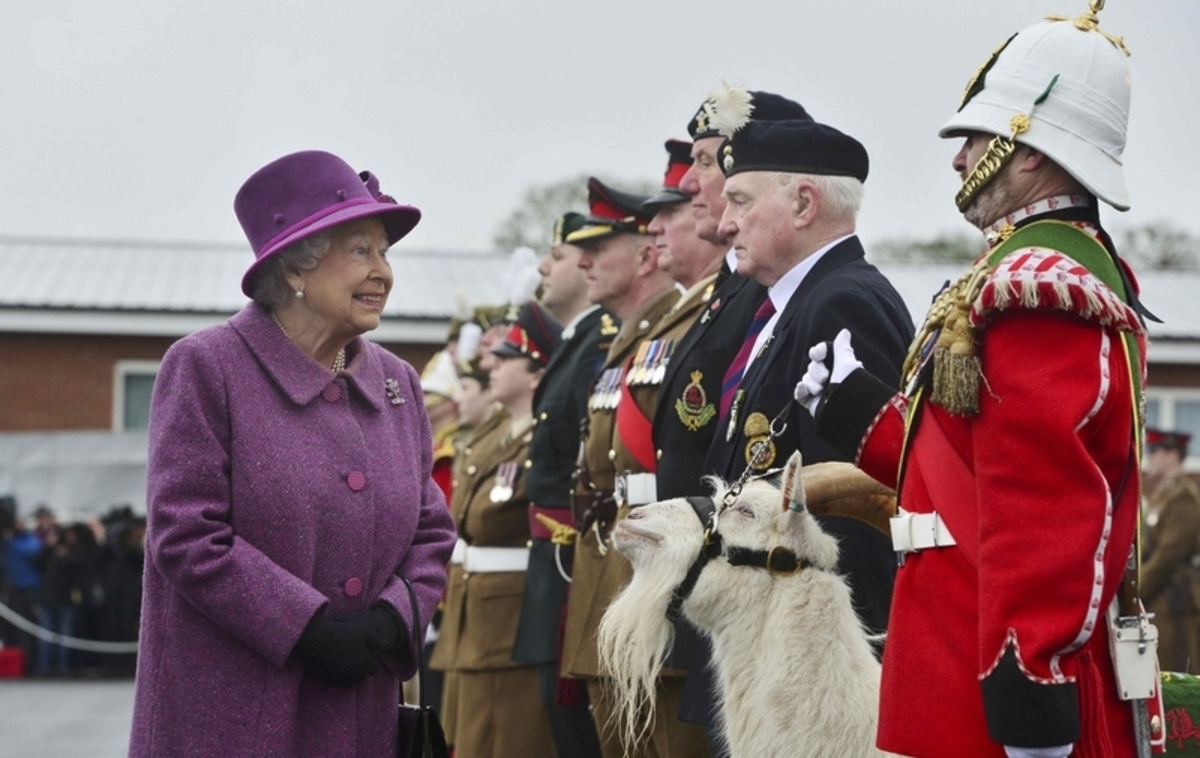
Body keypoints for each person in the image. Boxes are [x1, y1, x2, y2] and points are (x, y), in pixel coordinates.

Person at [792, 8, 1151, 756]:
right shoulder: (1014, 272)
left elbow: (1044, 512)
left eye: (978, 139)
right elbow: (967, 479)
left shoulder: (1036, 287)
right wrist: (863, 416)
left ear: (1032, 151)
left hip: (987, 691)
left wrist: (1029, 693)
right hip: (947, 663)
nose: (959, 161)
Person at [129, 150, 457, 758]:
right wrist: (305, 627)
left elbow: (431, 530)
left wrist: (391, 620)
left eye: (384, 252)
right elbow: (184, 533)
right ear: (296, 268)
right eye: (360, 251)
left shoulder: (399, 384)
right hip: (232, 715)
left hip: (362, 714)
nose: (383, 271)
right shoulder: (207, 367)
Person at [703, 113, 912, 650]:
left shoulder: (842, 302)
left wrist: (848, 650)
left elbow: (860, 502)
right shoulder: (794, 303)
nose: (726, 224)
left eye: (741, 201)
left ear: (802, 204)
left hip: (806, 643)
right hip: (764, 623)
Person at [560, 177, 710, 758]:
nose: (584, 262)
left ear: (645, 256)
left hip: (656, 556)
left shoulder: (682, 325)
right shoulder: (630, 341)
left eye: (599, 249)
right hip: (612, 560)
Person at [430, 301, 561, 758]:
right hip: (473, 608)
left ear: (535, 374)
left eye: (506, 360)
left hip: (510, 612)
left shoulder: (541, 436)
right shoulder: (496, 435)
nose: (493, 366)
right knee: (468, 740)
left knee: (509, 739)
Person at [511, 211, 610, 758]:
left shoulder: (600, 342)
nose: (544, 267)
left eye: (559, 255)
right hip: (556, 565)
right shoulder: (580, 343)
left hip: (576, 564)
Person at [1141, 429, 1200, 674]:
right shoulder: (1162, 495)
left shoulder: (1183, 496)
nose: (1150, 458)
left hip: (1174, 604)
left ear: (1172, 455)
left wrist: (1136, 593)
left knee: (1174, 679)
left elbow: (1167, 556)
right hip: (1161, 602)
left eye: (1155, 452)